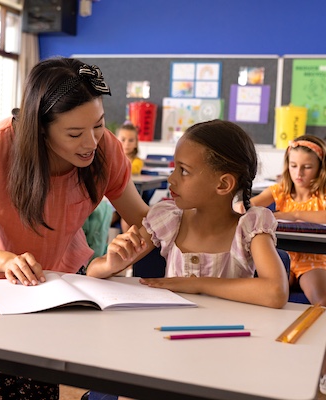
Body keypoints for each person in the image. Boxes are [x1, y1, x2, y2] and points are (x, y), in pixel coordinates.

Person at [0, 57, 149, 400]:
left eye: (99, 125)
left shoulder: (106, 152)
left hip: (63, 282)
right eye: (74, 133)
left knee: (44, 383)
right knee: (8, 390)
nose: (91, 142)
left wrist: (130, 247)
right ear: (40, 127)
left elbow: (143, 221)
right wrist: (6, 261)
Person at [87, 119, 289, 308]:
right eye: (174, 168)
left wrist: (197, 284)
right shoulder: (168, 221)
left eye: (183, 171)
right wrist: (111, 264)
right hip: (172, 334)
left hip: (228, 337)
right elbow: (93, 272)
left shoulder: (251, 227)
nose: (171, 179)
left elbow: (276, 292)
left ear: (223, 184)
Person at [250, 135, 326, 400]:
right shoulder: (279, 190)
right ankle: (261, 358)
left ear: (321, 168)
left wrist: (291, 214)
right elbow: (249, 208)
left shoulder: (325, 193)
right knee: (264, 295)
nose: (298, 173)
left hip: (313, 262)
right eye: (293, 166)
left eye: (307, 167)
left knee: (323, 302)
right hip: (282, 258)